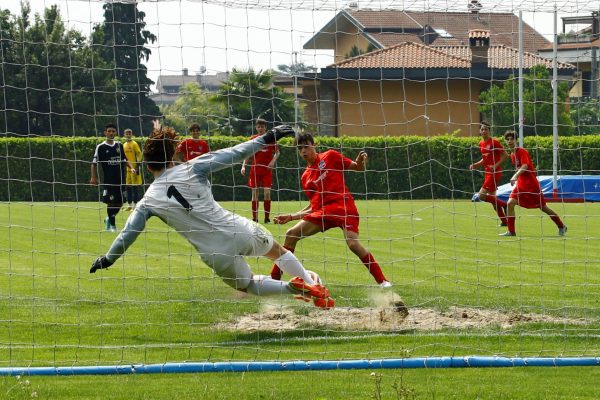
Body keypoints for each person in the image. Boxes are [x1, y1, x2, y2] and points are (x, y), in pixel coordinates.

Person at [90, 122, 335, 309]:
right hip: (238, 230)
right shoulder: (192, 167)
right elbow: (235, 153)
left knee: (248, 284)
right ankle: (312, 284)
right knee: (278, 253)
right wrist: (269, 137)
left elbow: (127, 234)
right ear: (172, 154)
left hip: (214, 254)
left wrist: (108, 259)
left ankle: (293, 288)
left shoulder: (147, 202)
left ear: (147, 164)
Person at [269, 132, 392, 288]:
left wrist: (360, 161)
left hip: (344, 206)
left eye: (306, 146)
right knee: (291, 234)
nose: (304, 151)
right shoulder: (306, 177)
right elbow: (314, 206)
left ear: (314, 145)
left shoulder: (331, 156)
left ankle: (383, 281)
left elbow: (357, 168)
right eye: (300, 149)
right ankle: (274, 281)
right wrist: (292, 216)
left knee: (353, 244)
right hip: (324, 212)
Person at [499, 130, 567, 237]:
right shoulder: (512, 154)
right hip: (521, 185)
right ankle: (511, 231)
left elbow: (525, 166)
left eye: (512, 139)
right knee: (509, 203)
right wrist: (517, 177)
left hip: (531, 185)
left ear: (516, 140)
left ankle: (561, 225)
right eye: (507, 139)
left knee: (544, 208)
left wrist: (515, 176)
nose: (510, 141)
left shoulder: (522, 151)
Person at [90, 123, 134, 232]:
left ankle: (108, 219)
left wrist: (132, 168)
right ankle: (113, 226)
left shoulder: (119, 145)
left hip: (121, 180)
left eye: (113, 131)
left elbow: (124, 159)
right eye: (109, 131)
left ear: (116, 133)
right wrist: (93, 178)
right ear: (105, 133)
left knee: (120, 203)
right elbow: (94, 163)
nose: (111, 133)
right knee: (111, 202)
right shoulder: (100, 147)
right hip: (109, 180)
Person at [469, 121, 509, 226]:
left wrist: (495, 166)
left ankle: (505, 205)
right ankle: (504, 221)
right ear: (479, 131)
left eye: (486, 129)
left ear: (489, 131)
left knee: (481, 196)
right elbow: (484, 159)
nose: (484, 131)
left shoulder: (494, 142)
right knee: (493, 200)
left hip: (495, 173)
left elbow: (505, 155)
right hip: (488, 173)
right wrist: (475, 165)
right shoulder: (481, 143)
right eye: (482, 129)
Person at [241, 118, 280, 223]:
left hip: (267, 170)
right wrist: (243, 166)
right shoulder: (253, 139)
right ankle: (255, 218)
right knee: (255, 193)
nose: (260, 128)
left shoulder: (271, 139)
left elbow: (277, 152)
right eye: (258, 126)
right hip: (255, 170)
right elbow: (247, 154)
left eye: (262, 126)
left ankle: (267, 218)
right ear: (256, 127)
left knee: (267, 193)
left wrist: (273, 161)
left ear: (265, 127)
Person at [122, 128, 143, 210]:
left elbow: (139, 155)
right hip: (128, 170)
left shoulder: (134, 144)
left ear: (132, 134)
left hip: (134, 169)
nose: (128, 135)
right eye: (126, 134)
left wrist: (137, 166)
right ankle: (129, 205)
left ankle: (136, 205)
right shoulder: (123, 145)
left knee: (135, 187)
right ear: (124, 135)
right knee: (128, 187)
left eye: (129, 133)